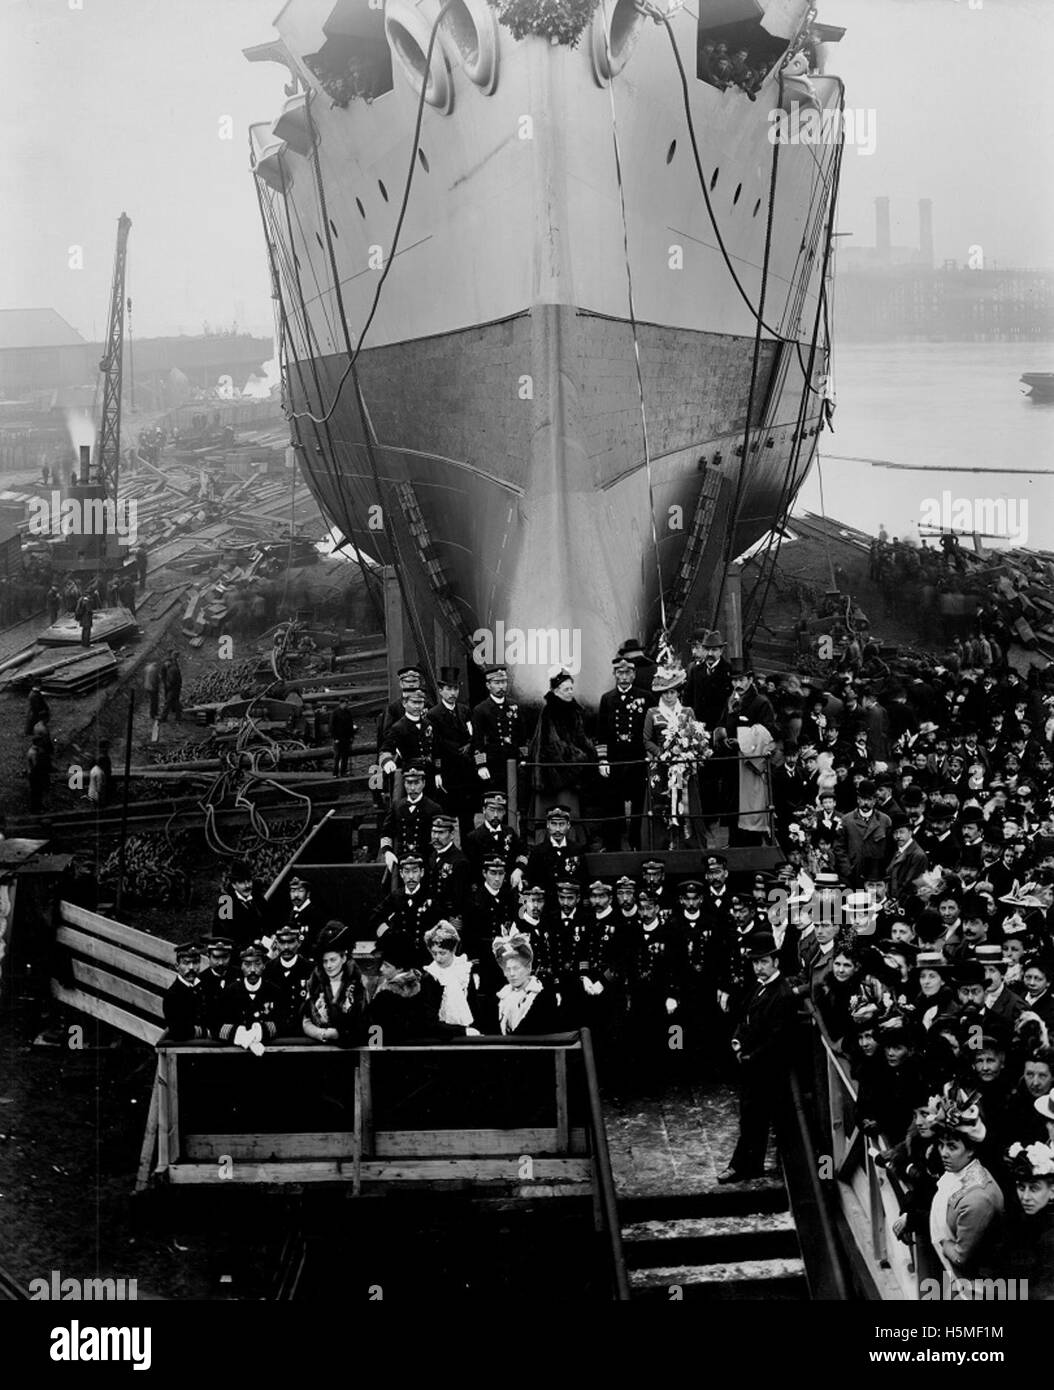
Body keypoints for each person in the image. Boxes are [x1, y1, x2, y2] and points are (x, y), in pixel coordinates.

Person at [719, 932, 800, 1183]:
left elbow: (777, 1039)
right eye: (755, 962)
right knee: (751, 1117)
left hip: (767, 1069)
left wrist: (750, 1056)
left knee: (755, 1118)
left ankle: (740, 1166)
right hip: (753, 1064)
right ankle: (750, 1166)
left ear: (775, 962)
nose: (759, 967)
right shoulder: (760, 987)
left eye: (763, 962)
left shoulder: (783, 994)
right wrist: (737, 1040)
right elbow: (745, 1018)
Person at [926, 1085, 1004, 1294]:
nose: (943, 1153)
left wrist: (942, 1242)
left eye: (952, 1147)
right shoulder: (957, 1172)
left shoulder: (978, 1198)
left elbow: (961, 1255)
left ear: (971, 1150)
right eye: (941, 1145)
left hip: (979, 1287)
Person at [642, 654, 708, 849]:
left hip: (683, 769)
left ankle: (687, 841)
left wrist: (688, 754)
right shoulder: (652, 713)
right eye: (665, 693)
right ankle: (662, 843)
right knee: (662, 803)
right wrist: (662, 754)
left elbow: (697, 737)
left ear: (678, 692)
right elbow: (646, 740)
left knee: (685, 803)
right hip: (662, 768)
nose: (669, 696)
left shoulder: (687, 712)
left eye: (673, 692)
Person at [983, 1140, 1054, 1301]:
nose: (1026, 1197)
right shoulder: (1015, 1220)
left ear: (1052, 1192)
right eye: (1021, 1187)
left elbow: (1044, 1293)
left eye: (1034, 1188)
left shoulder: (1050, 1236)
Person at [527, 666, 596, 828]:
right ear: (556, 691)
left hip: (571, 771)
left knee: (572, 809)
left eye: (572, 688)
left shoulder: (575, 710)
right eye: (566, 689)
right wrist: (580, 757)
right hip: (555, 773)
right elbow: (552, 744)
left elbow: (581, 737)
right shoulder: (550, 711)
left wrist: (590, 751)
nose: (570, 692)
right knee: (558, 807)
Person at [596, 653, 651, 849]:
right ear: (614, 674)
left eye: (628, 673)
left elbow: (650, 732)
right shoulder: (607, 699)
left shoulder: (645, 697)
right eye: (620, 673)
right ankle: (612, 846)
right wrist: (602, 760)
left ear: (634, 675)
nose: (624, 677)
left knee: (638, 804)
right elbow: (601, 732)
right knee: (613, 804)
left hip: (637, 759)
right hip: (615, 759)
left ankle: (637, 843)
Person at [425, 666, 477, 844]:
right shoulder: (433, 715)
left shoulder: (464, 711)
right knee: (446, 817)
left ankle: (469, 855)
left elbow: (472, 735)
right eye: (448, 689)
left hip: (465, 772)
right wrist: (437, 771)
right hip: (447, 771)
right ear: (441, 691)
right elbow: (435, 746)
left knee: (467, 819)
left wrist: (470, 745)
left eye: (455, 688)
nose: (452, 693)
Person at [301, 922, 367, 1046]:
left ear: (343, 958)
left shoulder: (358, 983)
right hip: (319, 1047)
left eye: (333, 960)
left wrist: (340, 1033)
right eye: (325, 961)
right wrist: (322, 1034)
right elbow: (306, 1021)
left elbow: (363, 1021)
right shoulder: (315, 983)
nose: (329, 966)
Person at [491, 933, 563, 1036]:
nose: (511, 974)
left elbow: (531, 1030)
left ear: (528, 968)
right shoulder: (500, 997)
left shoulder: (544, 997)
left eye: (516, 968)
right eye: (507, 969)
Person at [216, 944, 280, 1053]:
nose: (253, 970)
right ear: (241, 966)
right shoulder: (229, 991)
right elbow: (218, 1024)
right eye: (247, 964)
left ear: (264, 965)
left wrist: (259, 1032)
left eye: (257, 964)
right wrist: (242, 1036)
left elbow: (282, 1022)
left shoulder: (274, 991)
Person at [421, 921, 481, 1036]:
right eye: (434, 953)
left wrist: (474, 1030)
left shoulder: (463, 969)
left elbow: (473, 1005)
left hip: (469, 1032)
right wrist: (462, 1032)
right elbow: (428, 1021)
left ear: (453, 950)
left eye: (442, 953)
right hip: (441, 1036)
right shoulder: (430, 976)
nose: (438, 958)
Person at [265, 925, 314, 1036]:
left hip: (303, 1032)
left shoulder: (310, 969)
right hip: (275, 1033)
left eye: (291, 942)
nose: (286, 947)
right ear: (276, 944)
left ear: (299, 943)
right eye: (282, 943)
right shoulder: (268, 969)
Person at [162, 942, 207, 1041]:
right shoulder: (172, 994)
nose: (191, 967)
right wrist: (206, 1031)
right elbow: (178, 1031)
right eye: (186, 963)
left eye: (195, 962)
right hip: (182, 1047)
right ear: (177, 966)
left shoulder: (203, 987)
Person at [331, 696, 356, 779]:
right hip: (338, 737)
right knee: (337, 756)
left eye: (346, 704)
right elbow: (332, 726)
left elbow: (350, 724)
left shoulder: (348, 712)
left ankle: (343, 772)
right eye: (345, 703)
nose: (346, 705)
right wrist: (335, 738)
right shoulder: (335, 713)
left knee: (345, 756)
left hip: (346, 737)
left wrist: (352, 736)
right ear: (341, 704)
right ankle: (335, 773)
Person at [26, 734, 50, 813]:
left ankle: (38, 807)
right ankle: (36, 809)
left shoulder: (37, 750)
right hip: (35, 775)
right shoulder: (33, 752)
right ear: (37, 742)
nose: (42, 743)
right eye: (41, 741)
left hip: (36, 774)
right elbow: (36, 765)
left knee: (38, 792)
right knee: (36, 792)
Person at [160, 651, 183, 722]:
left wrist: (168, 685)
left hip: (173, 688)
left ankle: (163, 718)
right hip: (176, 687)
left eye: (166, 663)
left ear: (169, 662)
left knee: (168, 702)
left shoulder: (172, 669)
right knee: (176, 702)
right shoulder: (172, 667)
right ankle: (178, 717)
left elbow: (172, 681)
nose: (165, 664)